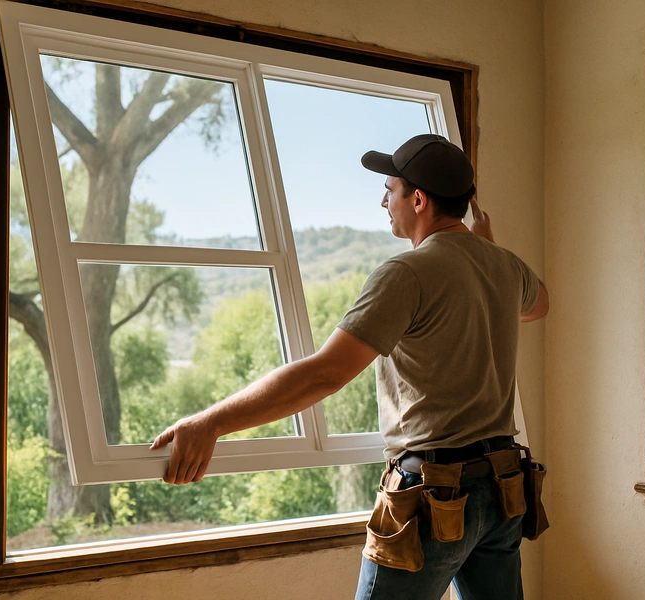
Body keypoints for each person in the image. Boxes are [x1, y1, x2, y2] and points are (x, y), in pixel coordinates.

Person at [151, 134, 548, 600]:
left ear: (418, 199)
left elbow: (324, 374)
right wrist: (490, 254)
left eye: (390, 190)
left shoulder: (406, 274)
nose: (383, 200)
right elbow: (539, 304)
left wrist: (212, 421)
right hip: (502, 489)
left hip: (434, 496)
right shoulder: (505, 266)